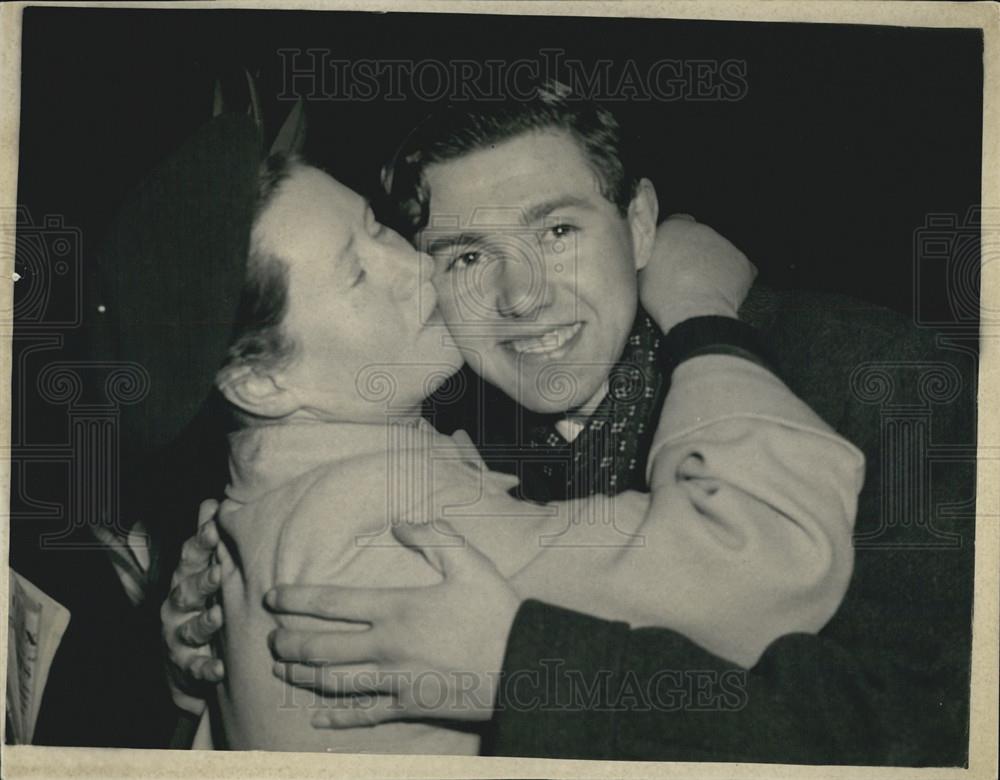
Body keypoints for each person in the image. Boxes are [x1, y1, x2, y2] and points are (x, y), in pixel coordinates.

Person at [163, 83, 868, 751]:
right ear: (258, 382)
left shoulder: (861, 370)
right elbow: (758, 556)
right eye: (465, 253)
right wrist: (701, 311)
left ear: (640, 223)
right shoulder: (393, 512)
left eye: (557, 230)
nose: (417, 271)